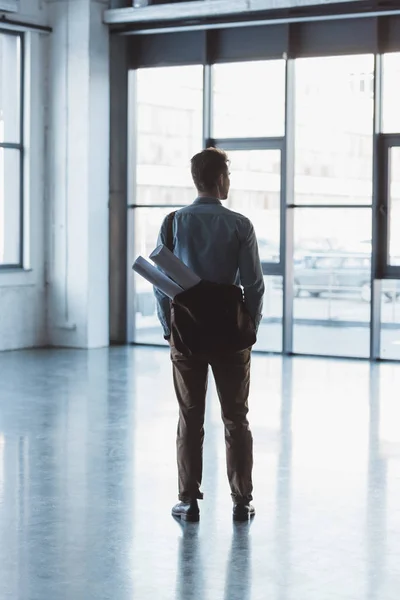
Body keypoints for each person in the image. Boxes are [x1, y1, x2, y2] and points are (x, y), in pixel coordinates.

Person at [154, 148, 265, 522]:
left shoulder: (173, 223)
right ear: (220, 179)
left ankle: (188, 500)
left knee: (190, 415)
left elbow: (161, 285)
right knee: (236, 418)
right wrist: (251, 326)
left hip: (186, 333)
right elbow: (254, 285)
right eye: (228, 177)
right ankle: (241, 500)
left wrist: (168, 328)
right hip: (231, 334)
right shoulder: (240, 225)